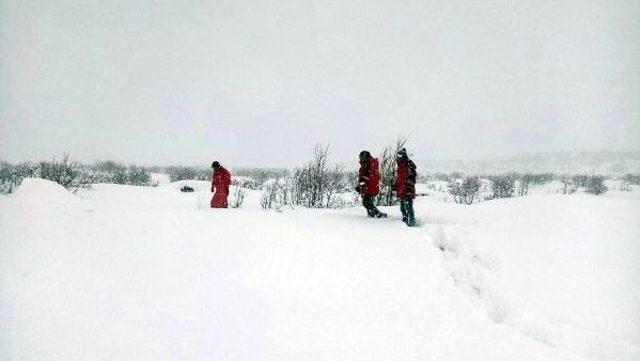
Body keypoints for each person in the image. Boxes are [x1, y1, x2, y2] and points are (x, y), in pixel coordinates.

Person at [357, 150, 387, 218]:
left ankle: (377, 214)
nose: (360, 159)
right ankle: (371, 215)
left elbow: (370, 176)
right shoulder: (367, 163)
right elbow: (365, 177)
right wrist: (360, 186)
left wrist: (362, 182)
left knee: (366, 202)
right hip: (368, 186)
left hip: (370, 187)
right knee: (368, 202)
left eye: (361, 157)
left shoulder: (369, 163)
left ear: (364, 156)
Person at [395, 148, 417, 226]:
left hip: (408, 188)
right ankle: (405, 218)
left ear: (404, 155)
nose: (398, 157)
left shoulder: (409, 164)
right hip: (401, 188)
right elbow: (399, 177)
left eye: (400, 155)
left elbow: (413, 175)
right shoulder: (400, 165)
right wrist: (395, 185)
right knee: (402, 207)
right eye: (398, 155)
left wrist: (409, 183)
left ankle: (411, 219)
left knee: (408, 205)